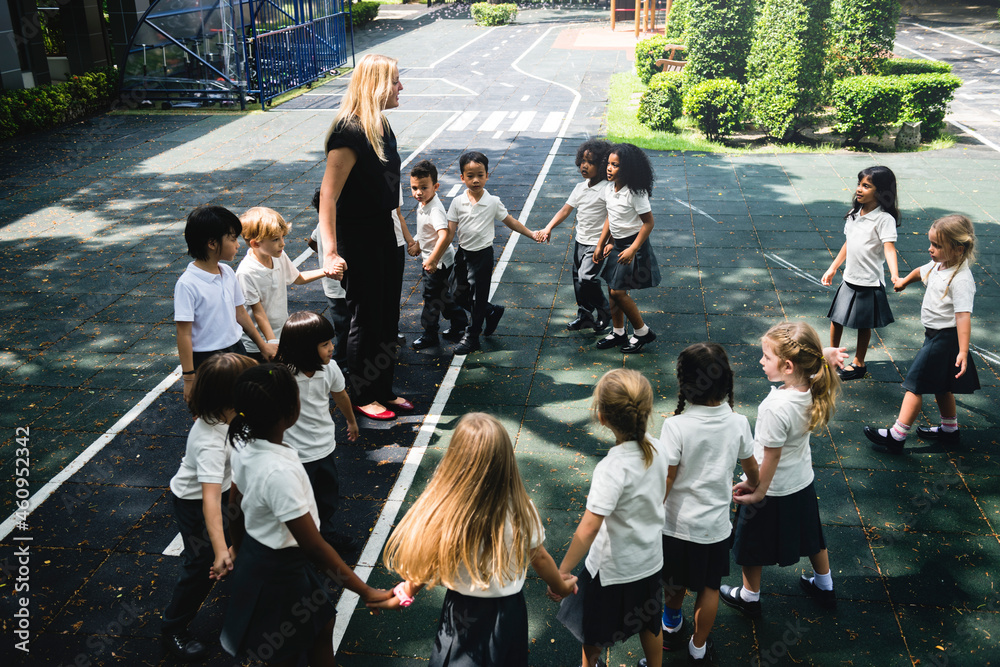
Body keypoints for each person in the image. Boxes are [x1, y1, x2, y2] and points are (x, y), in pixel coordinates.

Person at [372, 412, 577, 665]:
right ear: (506, 461)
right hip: (507, 611)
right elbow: (540, 557)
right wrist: (560, 587)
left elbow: (429, 560)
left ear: (455, 460)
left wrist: (404, 593)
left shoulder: (447, 510)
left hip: (460, 609)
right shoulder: (522, 509)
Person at [220, 364, 391, 665]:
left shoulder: (244, 444)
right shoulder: (279, 473)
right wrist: (366, 591)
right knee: (286, 651)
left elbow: (234, 506)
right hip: (280, 569)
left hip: (262, 557)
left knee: (320, 624)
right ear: (291, 410)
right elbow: (314, 546)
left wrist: (239, 547)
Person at [720, 322, 842, 619]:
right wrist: (822, 353)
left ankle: (750, 596)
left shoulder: (775, 406)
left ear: (788, 366)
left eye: (767, 357)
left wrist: (757, 489)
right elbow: (812, 364)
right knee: (812, 536)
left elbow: (770, 457)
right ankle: (825, 585)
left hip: (771, 487)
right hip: (800, 481)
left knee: (750, 545)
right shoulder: (812, 385)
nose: (761, 362)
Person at [317, 53, 410, 421]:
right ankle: (360, 394)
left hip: (384, 232)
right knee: (366, 318)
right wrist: (330, 252)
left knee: (387, 318)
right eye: (396, 80)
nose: (401, 87)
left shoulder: (381, 126)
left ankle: (383, 389)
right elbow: (328, 195)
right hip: (359, 236)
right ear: (376, 85)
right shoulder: (348, 132)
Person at [555, 369, 668, 667]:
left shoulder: (611, 468)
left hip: (610, 569)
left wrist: (562, 571)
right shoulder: (659, 448)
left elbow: (590, 527)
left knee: (592, 628)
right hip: (650, 561)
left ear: (602, 418)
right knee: (650, 622)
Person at [658, 343, 760, 664]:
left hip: (675, 526)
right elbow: (751, 468)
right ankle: (698, 648)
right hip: (714, 530)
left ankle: (670, 626)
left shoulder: (675, 426)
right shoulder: (739, 423)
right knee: (709, 587)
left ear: (685, 384)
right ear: (726, 382)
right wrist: (751, 485)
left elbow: (667, 479)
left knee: (673, 583)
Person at [162, 353, 257, 662]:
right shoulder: (209, 441)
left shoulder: (234, 416)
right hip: (194, 502)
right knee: (200, 564)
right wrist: (218, 549)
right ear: (233, 396)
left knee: (240, 544)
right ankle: (173, 626)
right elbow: (209, 501)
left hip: (228, 492)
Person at [865, 214, 979, 454]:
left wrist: (963, 350)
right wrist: (905, 281)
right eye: (931, 243)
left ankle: (897, 435)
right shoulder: (940, 264)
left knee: (914, 385)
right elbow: (921, 271)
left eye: (937, 246)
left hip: (944, 339)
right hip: (935, 336)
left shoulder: (960, 279)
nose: (931, 249)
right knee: (942, 386)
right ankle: (950, 430)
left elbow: (963, 316)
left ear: (958, 249)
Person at [273, 311, 358, 550]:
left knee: (327, 495)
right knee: (298, 500)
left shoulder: (329, 369)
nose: (332, 348)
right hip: (294, 454)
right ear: (304, 349)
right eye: (325, 344)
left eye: (331, 342)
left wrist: (351, 421)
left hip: (324, 446)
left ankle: (325, 531)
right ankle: (298, 540)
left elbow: (340, 395)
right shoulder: (283, 376)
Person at [175, 205, 276, 401]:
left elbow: (240, 314)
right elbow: (183, 333)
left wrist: (262, 345)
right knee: (214, 411)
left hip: (235, 348)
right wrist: (189, 377)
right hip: (207, 359)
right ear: (212, 243)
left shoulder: (228, 273)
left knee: (241, 403)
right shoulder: (187, 285)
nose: (238, 244)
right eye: (232, 238)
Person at [447, 151, 543, 355]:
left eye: (480, 175)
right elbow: (449, 232)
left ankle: (472, 337)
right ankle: (492, 311)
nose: (475, 180)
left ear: (487, 175)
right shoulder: (457, 202)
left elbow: (511, 221)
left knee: (477, 299)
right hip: (463, 255)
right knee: (456, 295)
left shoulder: (492, 201)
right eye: (470, 176)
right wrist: (435, 256)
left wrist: (531, 234)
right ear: (462, 177)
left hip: (482, 257)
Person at [821, 166, 901, 381]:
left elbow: (889, 248)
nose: (859, 189)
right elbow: (849, 243)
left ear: (881, 191)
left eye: (866, 186)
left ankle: (859, 363)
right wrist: (834, 266)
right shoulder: (854, 214)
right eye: (859, 184)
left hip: (869, 281)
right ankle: (832, 357)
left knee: (863, 324)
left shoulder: (884, 220)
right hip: (849, 278)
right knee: (836, 319)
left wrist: (894, 274)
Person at [538, 139, 613, 333]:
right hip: (580, 241)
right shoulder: (581, 187)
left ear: (602, 165)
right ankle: (585, 316)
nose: (584, 166)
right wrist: (549, 227)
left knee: (586, 278)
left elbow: (613, 218)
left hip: (597, 243)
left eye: (590, 162)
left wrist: (605, 243)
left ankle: (604, 309)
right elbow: (565, 210)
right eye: (582, 161)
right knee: (578, 282)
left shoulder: (607, 189)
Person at [594, 143, 660, 353]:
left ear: (629, 168)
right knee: (612, 290)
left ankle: (642, 332)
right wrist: (603, 243)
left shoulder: (635, 193)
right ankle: (619, 331)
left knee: (618, 291)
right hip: (617, 244)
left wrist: (632, 249)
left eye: (616, 165)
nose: (609, 168)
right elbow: (611, 219)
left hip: (633, 245)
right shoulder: (609, 189)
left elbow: (648, 223)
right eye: (609, 164)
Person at [236, 207, 324, 361]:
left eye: (282, 237)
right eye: (276, 239)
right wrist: (272, 342)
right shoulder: (246, 273)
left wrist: (326, 271)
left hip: (281, 334)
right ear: (255, 244)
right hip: (260, 344)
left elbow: (298, 278)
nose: (282, 244)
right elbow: (258, 312)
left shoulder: (277, 255)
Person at [409, 159, 469, 350]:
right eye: (414, 188)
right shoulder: (424, 203)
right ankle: (460, 324)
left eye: (424, 187)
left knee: (431, 298)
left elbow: (445, 236)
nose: (418, 192)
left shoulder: (434, 208)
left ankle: (430, 335)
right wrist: (419, 242)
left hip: (437, 262)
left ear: (435, 186)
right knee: (441, 297)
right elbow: (429, 231)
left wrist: (433, 259)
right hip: (438, 259)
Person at [310, 189, 350, 374]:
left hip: (334, 288)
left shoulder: (321, 226)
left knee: (345, 326)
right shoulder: (335, 226)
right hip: (337, 288)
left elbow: (312, 242)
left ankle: (344, 359)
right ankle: (341, 361)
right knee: (344, 326)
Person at [392, 184, 421, 347]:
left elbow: (398, 214)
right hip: (375, 245)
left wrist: (410, 241)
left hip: (395, 243)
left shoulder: (391, 179)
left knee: (393, 291)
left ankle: (392, 329)